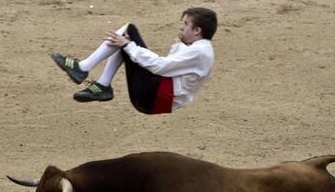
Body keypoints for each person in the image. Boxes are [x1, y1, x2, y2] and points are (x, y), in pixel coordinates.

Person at [51, 7, 217, 115]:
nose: (182, 27)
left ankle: (83, 68)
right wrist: (128, 46)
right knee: (127, 43)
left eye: (186, 24)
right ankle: (102, 84)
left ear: (197, 30)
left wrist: (128, 45)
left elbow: (161, 66)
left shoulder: (200, 52)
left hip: (152, 96)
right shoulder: (200, 49)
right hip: (154, 98)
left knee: (128, 32)